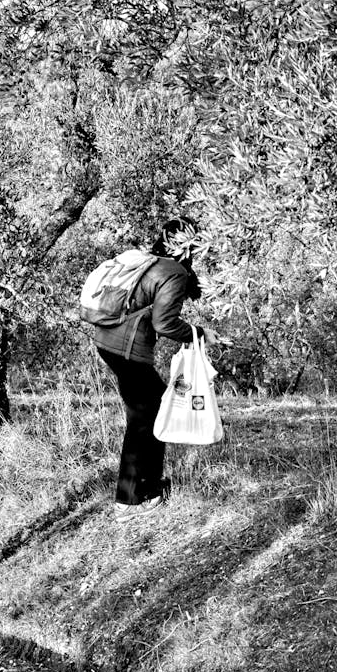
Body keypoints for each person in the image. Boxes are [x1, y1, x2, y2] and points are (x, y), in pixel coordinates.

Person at [92, 217, 219, 523]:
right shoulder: (172, 271)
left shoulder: (151, 262)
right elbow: (165, 324)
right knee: (147, 416)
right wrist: (200, 333)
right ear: (188, 246)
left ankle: (144, 491)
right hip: (128, 349)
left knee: (149, 411)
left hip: (107, 341)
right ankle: (133, 499)